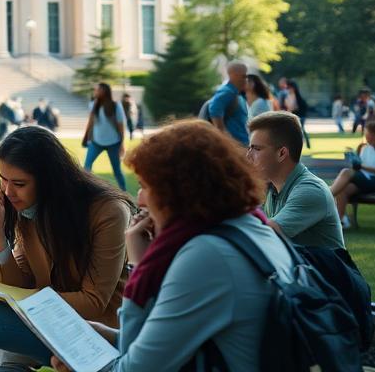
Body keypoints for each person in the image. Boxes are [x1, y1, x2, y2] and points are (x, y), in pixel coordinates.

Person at [48, 119, 297, 372]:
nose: (140, 199)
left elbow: (135, 369)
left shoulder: (207, 256)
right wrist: (112, 336)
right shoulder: (250, 227)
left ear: (177, 191)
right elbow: (156, 344)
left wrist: (140, 266)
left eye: (145, 186)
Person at [0, 126, 131, 372]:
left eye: (19, 183)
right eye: (2, 179)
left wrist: (28, 304)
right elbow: (18, 285)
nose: (7, 192)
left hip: (94, 340)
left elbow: (93, 301)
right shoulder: (30, 210)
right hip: (47, 329)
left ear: (50, 181)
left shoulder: (108, 212)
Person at [245, 111, 343, 249]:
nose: (248, 156)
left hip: (322, 270)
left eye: (256, 149)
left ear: (282, 153)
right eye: (249, 148)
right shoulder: (273, 189)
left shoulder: (310, 190)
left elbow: (266, 232)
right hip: (300, 269)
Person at [331, 119, 375, 230]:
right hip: (366, 182)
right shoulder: (365, 149)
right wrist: (355, 163)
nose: (366, 138)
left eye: (368, 135)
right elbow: (360, 169)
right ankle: (340, 222)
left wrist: (362, 167)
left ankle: (326, 195)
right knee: (343, 189)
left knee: (345, 172)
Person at [82, 83, 128, 192]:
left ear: (104, 92)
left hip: (113, 143)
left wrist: (122, 144)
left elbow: (121, 126)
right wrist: (86, 137)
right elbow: (91, 121)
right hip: (96, 142)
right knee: (86, 167)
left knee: (117, 171)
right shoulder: (93, 104)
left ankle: (125, 193)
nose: (95, 92)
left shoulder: (116, 106)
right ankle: (86, 190)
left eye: (97, 90)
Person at [206, 61, 249, 145]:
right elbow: (214, 112)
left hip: (242, 145)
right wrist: (230, 143)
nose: (246, 79)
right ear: (234, 75)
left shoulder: (236, 93)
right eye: (244, 76)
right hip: (237, 147)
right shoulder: (227, 92)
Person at [279, 78, 311, 148]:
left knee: (299, 130)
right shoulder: (288, 96)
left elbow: (295, 107)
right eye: (288, 88)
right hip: (293, 115)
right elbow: (287, 106)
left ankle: (302, 144)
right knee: (299, 130)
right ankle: (304, 144)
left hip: (300, 116)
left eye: (290, 88)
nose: (289, 89)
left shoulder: (297, 96)